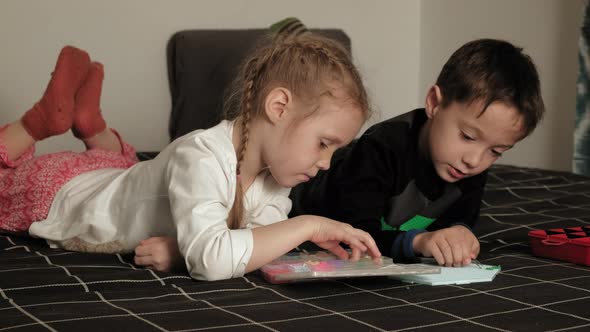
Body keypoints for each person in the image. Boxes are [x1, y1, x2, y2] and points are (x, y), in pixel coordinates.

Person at [0, 19, 381, 281]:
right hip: (69, 198)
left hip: (119, 181)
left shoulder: (273, 180)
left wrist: (184, 250)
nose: (326, 162)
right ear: (278, 107)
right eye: (323, 143)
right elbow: (214, 259)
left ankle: (91, 124)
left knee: (127, 170)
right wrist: (308, 225)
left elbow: (248, 245)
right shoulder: (200, 156)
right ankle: (37, 122)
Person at [290, 38, 545, 267]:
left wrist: (459, 235)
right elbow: (354, 235)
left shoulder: (471, 163)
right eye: (467, 137)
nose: (474, 160)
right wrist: (418, 242)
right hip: (304, 201)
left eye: (496, 151)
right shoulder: (382, 148)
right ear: (434, 103)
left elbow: (457, 221)